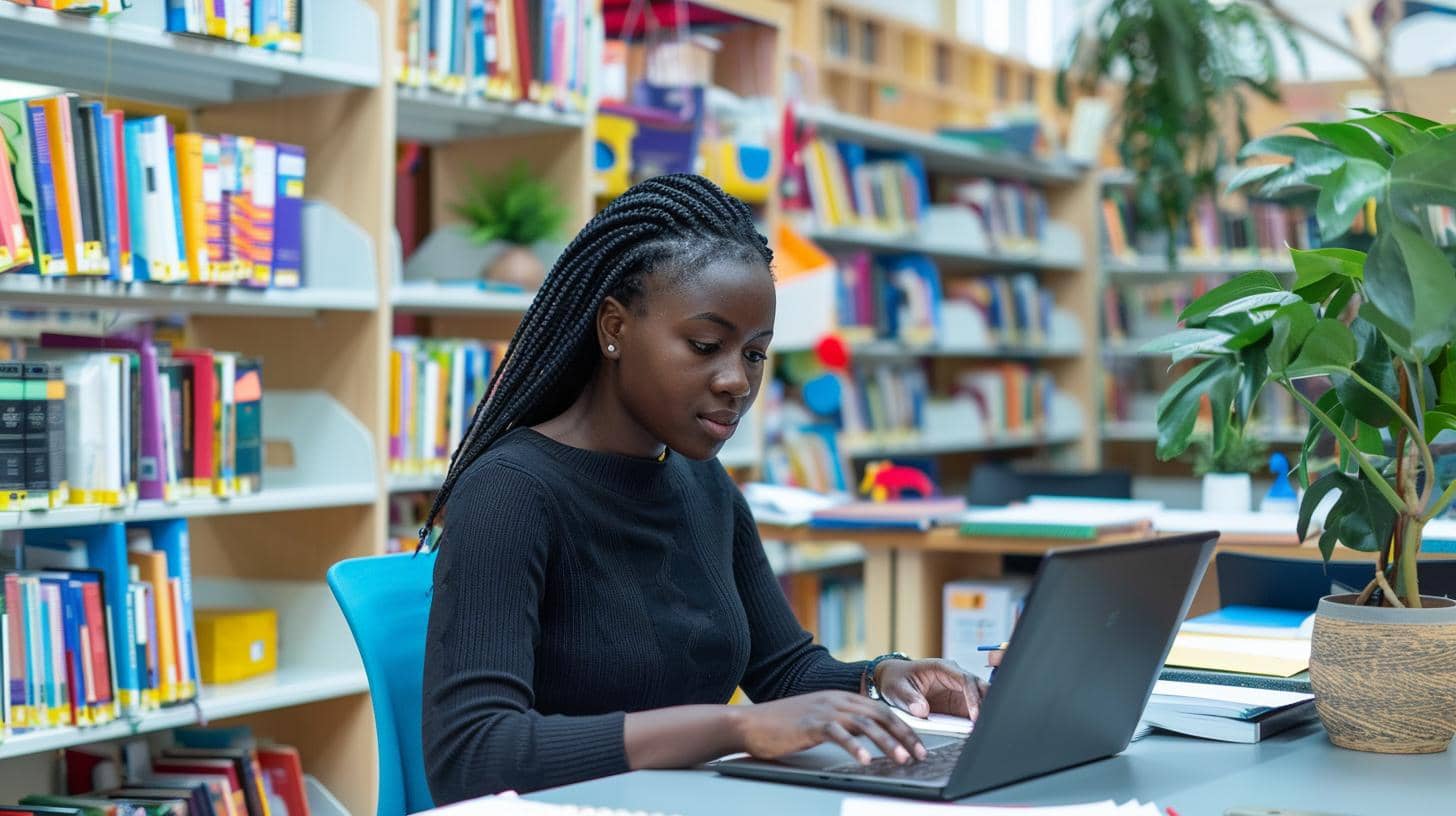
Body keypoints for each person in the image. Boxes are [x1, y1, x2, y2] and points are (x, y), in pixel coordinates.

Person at [420, 174, 987, 803]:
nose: (736, 381)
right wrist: (733, 727)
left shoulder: (701, 482)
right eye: (705, 345)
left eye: (754, 354)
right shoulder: (510, 494)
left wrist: (884, 678)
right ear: (614, 327)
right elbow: (472, 753)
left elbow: (784, 669)